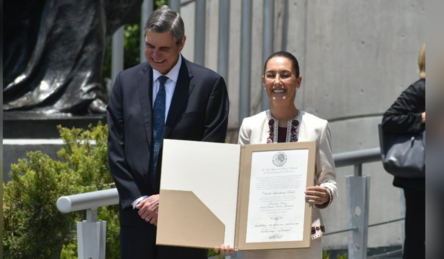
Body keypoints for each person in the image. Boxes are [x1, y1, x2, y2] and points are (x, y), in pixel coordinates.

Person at [107, 6, 229, 259]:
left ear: (182, 43)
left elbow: (211, 154)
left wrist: (169, 199)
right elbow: (116, 149)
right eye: (150, 46)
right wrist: (140, 201)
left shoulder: (209, 85)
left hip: (186, 217)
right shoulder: (125, 82)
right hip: (137, 217)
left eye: (164, 48)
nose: (155, 55)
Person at [216, 51, 337, 258]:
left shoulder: (318, 127)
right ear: (264, 81)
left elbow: (329, 179)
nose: (277, 81)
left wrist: (325, 194)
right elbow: (238, 183)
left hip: (303, 237)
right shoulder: (250, 126)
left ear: (298, 81)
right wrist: (228, 231)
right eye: (271, 75)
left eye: (285, 75)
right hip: (258, 235)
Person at [381, 44, 425, 259]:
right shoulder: (421, 89)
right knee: (418, 236)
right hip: (421, 179)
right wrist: (423, 118)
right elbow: (389, 120)